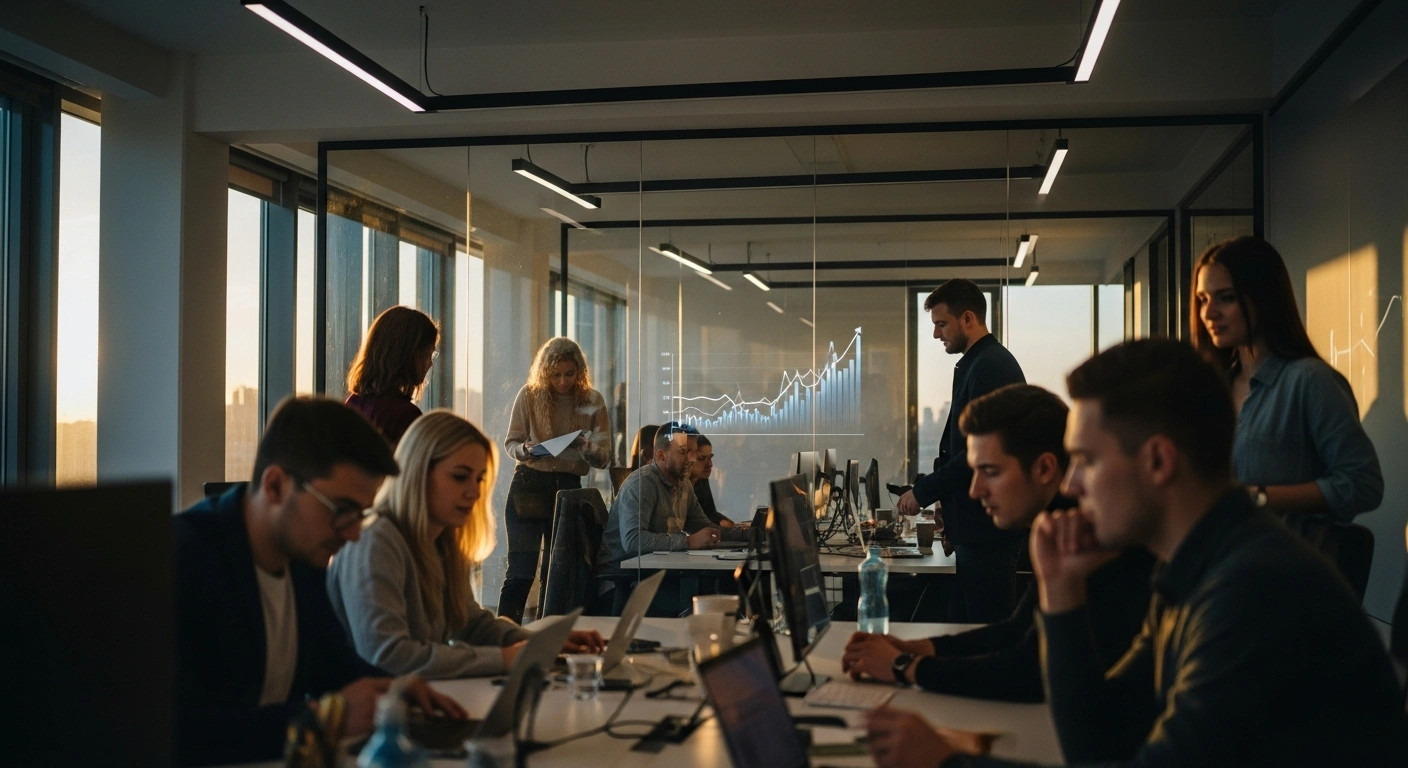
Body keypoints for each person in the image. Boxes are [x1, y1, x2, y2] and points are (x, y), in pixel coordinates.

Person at [866, 339, 1407, 768]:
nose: (1072, 484)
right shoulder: (1193, 569)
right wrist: (1061, 596)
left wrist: (948, 763)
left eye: (1088, 460)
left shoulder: (1251, 589)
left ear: (1157, 462)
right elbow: (1100, 740)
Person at [174, 397, 466, 767]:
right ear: (276, 485)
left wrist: (398, 689)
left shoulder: (304, 559)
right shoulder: (183, 560)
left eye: (362, 515)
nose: (355, 534)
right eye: (342, 511)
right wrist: (326, 718)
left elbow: (333, 665)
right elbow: (173, 732)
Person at [842, 385, 1152, 702]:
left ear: (1045, 469)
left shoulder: (1098, 540)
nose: (975, 490)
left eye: (990, 472)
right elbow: (1017, 631)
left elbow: (1027, 670)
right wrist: (919, 648)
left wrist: (903, 666)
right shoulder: (1060, 526)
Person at [327, 411, 605, 679]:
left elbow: (470, 624)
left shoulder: (442, 541)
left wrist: (544, 642)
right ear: (417, 473)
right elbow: (388, 656)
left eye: (479, 479)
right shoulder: (375, 541)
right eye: (460, 477)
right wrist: (504, 659)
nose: (474, 492)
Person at [1191, 236, 1382, 522]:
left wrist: (1256, 498)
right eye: (1203, 299)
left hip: (1280, 561)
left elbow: (1362, 484)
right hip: (1218, 558)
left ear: (1264, 297)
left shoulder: (1309, 381)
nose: (1208, 313)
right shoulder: (1213, 388)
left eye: (1226, 297)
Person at [900, 279, 1027, 622]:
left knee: (986, 631)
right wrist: (949, 511)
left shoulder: (988, 367)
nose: (936, 335)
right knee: (961, 624)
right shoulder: (979, 363)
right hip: (976, 528)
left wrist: (923, 492)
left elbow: (978, 453)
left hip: (987, 531)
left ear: (968, 319)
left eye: (942, 324)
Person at [498, 337, 612, 624]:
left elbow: (604, 457)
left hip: (568, 489)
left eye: (569, 374)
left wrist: (588, 448)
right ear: (545, 371)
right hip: (529, 483)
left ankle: (546, 637)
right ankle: (503, 637)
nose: (562, 381)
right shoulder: (529, 395)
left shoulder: (592, 401)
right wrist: (524, 450)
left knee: (557, 573)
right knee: (521, 572)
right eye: (556, 374)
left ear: (580, 371)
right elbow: (511, 443)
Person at [599, 422, 750, 569]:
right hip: (623, 577)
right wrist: (688, 542)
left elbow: (704, 528)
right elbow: (633, 541)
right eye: (683, 452)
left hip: (656, 570)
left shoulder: (684, 484)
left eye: (693, 452)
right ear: (660, 455)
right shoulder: (642, 484)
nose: (692, 459)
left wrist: (747, 535)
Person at [344, 305, 440, 446]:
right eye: (427, 354)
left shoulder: (354, 403)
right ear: (406, 354)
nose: (430, 363)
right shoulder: (405, 415)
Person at [691, 434, 738, 528]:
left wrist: (724, 521)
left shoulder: (701, 479)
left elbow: (709, 513)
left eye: (710, 457)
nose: (710, 464)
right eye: (702, 459)